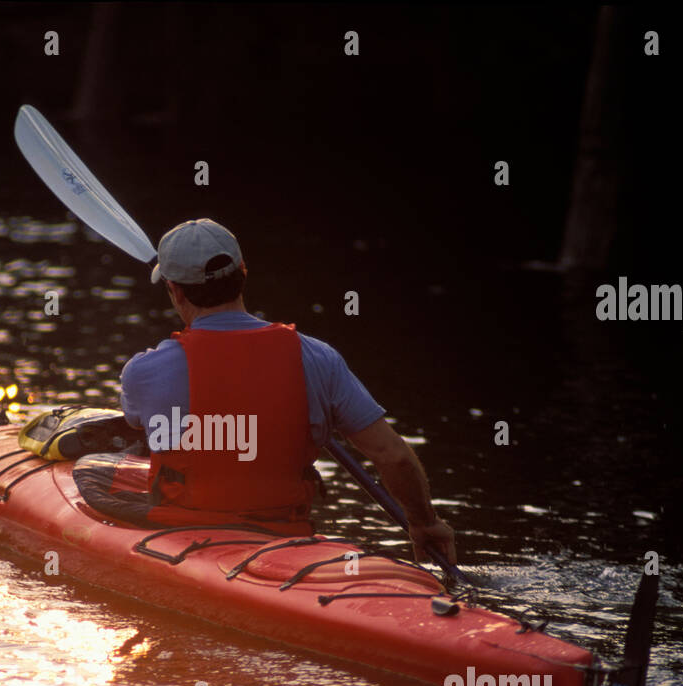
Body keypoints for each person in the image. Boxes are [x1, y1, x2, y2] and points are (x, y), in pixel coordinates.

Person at [111, 218, 457, 567]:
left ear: (176, 291)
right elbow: (393, 456)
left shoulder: (144, 371)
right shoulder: (319, 358)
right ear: (243, 273)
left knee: (98, 474)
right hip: (285, 537)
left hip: (183, 537)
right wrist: (424, 522)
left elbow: (139, 423)